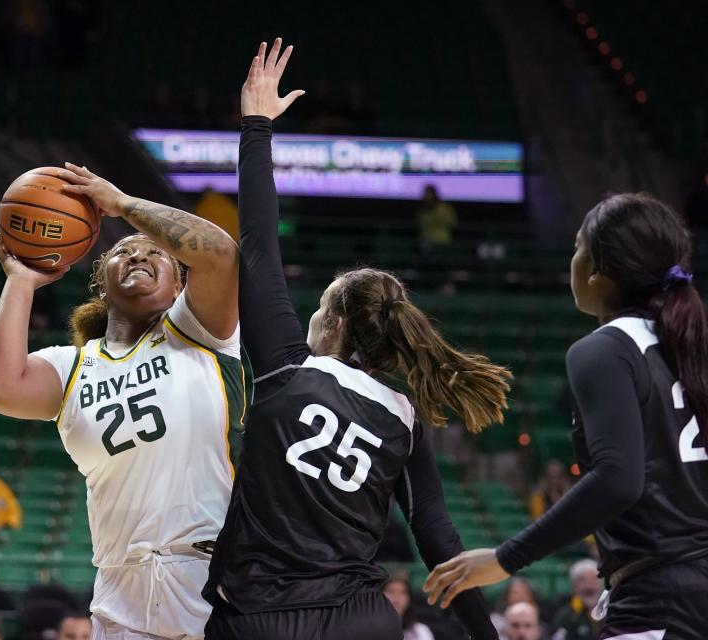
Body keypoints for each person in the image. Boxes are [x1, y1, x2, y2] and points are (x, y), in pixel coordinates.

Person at [203, 39, 508, 640]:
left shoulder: (288, 370)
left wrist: (256, 125)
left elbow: (259, 243)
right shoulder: (404, 414)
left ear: (336, 325)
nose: (310, 318)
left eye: (317, 308)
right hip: (362, 620)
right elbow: (439, 541)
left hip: (262, 619)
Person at [0, 149, 241, 638]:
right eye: (122, 251)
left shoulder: (201, 332)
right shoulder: (71, 366)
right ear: (101, 284)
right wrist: (21, 281)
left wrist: (121, 204)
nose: (137, 254)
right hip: (120, 587)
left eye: (155, 253)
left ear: (181, 284)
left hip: (212, 577)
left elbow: (220, 252)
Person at [425, 193, 708, 640]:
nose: (571, 259)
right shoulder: (691, 343)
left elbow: (618, 479)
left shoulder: (608, 347)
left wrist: (504, 558)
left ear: (597, 269)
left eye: (577, 246)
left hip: (662, 596)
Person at [549, 559, 601, 640]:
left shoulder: (610, 612)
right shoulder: (565, 617)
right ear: (574, 585)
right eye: (582, 580)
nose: (589, 585)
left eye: (593, 579)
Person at [382, 576, 434, 640]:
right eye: (391, 591)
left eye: (403, 592)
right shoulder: (369, 630)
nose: (397, 596)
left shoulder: (421, 631)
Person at [415, 185, 457, 253]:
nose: (426, 196)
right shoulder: (422, 210)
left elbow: (452, 223)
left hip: (442, 242)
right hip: (425, 243)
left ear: (434, 195)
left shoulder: (444, 208)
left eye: (429, 194)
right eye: (425, 194)